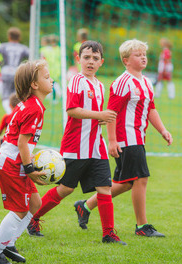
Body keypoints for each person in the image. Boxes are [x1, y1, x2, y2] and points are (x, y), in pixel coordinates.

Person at [27, 41, 126, 245]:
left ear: (101, 62)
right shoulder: (76, 81)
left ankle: (108, 234)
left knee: (105, 188)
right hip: (75, 147)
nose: (91, 62)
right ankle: (32, 219)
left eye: (95, 58)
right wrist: (100, 114)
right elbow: (72, 110)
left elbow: (94, 114)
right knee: (65, 189)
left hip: (96, 147)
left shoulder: (99, 85)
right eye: (87, 57)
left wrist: (100, 118)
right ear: (78, 59)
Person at [74, 39, 173, 237]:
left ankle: (85, 206)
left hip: (138, 138)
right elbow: (111, 112)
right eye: (138, 55)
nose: (143, 57)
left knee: (127, 182)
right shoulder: (122, 82)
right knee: (140, 179)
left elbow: (150, 108)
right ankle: (141, 226)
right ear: (126, 60)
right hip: (126, 139)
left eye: (144, 54)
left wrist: (163, 130)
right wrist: (112, 140)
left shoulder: (146, 82)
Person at [0, 59, 53, 264]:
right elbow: (22, 143)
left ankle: (9, 243)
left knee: (35, 203)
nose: (52, 80)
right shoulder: (35, 108)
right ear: (34, 84)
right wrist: (30, 169)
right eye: (47, 77)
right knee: (20, 210)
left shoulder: (34, 105)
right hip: (12, 164)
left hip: (15, 161)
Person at [0, 27, 29, 114]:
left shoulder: (4, 46)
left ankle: (9, 114)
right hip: (17, 72)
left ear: (9, 37)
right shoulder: (23, 47)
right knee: (17, 95)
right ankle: (15, 113)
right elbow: (32, 54)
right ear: (19, 37)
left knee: (5, 95)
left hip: (6, 71)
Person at [40, 34, 61, 102]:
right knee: (53, 82)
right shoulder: (53, 49)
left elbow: (43, 59)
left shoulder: (43, 50)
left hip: (48, 69)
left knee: (52, 83)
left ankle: (55, 96)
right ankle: (52, 95)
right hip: (56, 68)